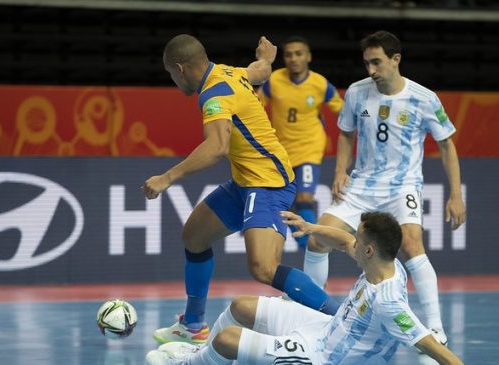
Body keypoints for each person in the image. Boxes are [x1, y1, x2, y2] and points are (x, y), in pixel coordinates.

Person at [142, 34, 339, 345]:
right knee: (193, 237)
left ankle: (340, 320)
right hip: (246, 181)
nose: (172, 80)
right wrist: (266, 59)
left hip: (269, 182)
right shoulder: (228, 71)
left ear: (180, 67)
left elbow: (217, 147)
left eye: (170, 73)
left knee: (263, 267)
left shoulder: (213, 93)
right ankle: (192, 325)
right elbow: (257, 72)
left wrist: (167, 177)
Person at [303, 30, 466, 346]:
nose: (371, 71)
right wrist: (340, 171)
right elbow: (346, 134)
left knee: (411, 244)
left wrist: (456, 195)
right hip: (362, 185)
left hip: (401, 186)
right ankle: (313, 313)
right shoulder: (356, 92)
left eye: (377, 63)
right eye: (366, 64)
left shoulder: (424, 98)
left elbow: (447, 146)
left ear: (396, 60)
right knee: (317, 239)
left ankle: (434, 328)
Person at [145, 211, 465, 365]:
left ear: (369, 251)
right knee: (241, 306)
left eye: (360, 240)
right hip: (325, 328)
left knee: (228, 340)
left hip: (322, 358)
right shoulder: (384, 261)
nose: (353, 242)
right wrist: (312, 228)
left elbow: (435, 349)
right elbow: (344, 240)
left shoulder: (390, 303)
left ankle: (191, 364)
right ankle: (202, 352)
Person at [257, 36, 344, 250]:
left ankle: (313, 249)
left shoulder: (320, 84)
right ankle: (306, 245)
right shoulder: (274, 80)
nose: (293, 58)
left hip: (309, 150)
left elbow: (344, 112)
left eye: (299, 54)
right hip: (280, 152)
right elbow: (256, 106)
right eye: (288, 54)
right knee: (283, 204)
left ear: (308, 56)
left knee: (304, 199)